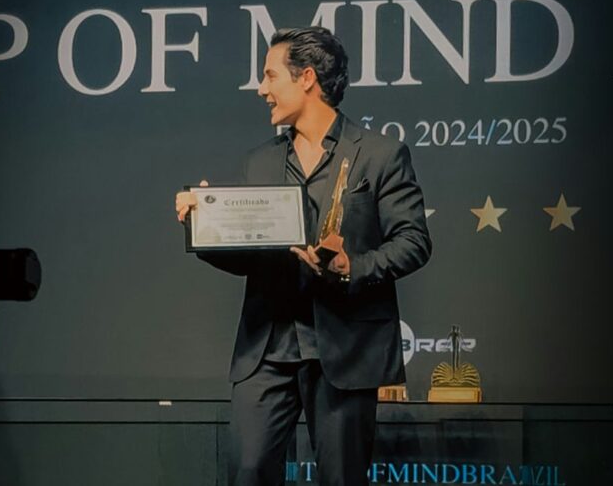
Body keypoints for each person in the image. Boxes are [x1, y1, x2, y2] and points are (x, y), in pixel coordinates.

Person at [175, 27, 432, 485]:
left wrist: (350, 265)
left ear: (307, 78)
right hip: (267, 350)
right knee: (249, 470)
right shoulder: (260, 161)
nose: (261, 88)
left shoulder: (380, 155)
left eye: (270, 76)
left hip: (345, 349)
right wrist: (207, 223)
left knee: (341, 478)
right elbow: (251, 255)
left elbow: (413, 242)